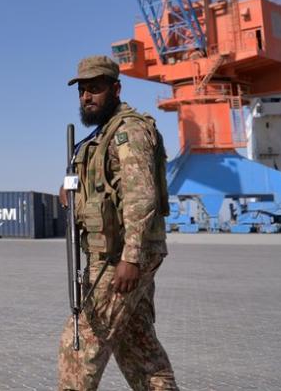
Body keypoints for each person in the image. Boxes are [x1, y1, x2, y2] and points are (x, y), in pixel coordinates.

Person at [58, 55, 178, 391]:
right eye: (82, 90)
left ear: (115, 89)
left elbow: (142, 196)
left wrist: (131, 257)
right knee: (140, 353)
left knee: (79, 348)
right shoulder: (101, 136)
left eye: (95, 89)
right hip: (118, 254)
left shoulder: (129, 132)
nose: (86, 97)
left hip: (120, 258)